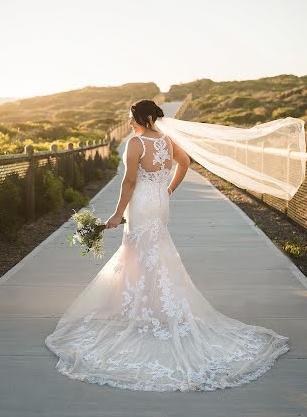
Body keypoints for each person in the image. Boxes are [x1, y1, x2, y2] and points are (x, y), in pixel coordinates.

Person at [45, 99, 289, 392]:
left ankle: (143, 310)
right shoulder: (167, 140)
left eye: (132, 115)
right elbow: (185, 163)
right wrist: (169, 188)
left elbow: (129, 183)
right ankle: (154, 308)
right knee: (153, 252)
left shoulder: (136, 144)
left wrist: (116, 214)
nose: (130, 119)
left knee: (138, 252)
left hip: (142, 204)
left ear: (143, 117)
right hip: (160, 203)